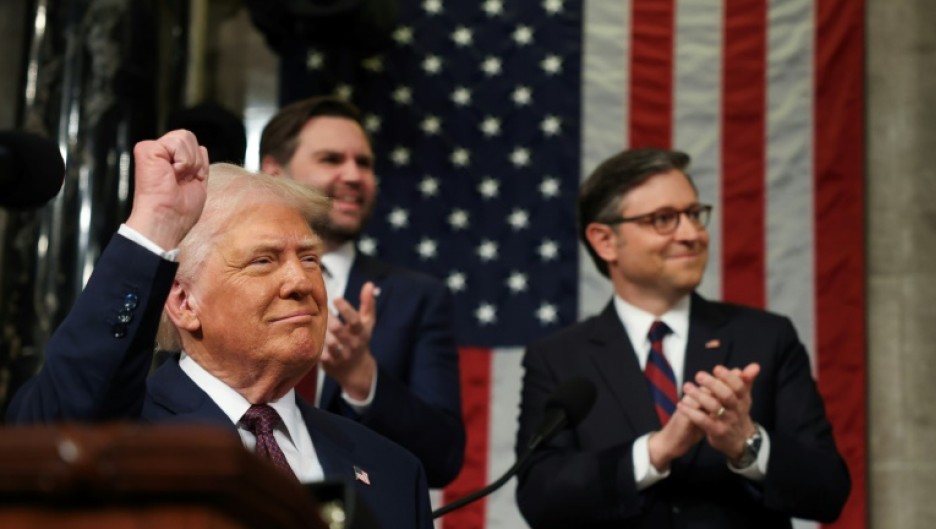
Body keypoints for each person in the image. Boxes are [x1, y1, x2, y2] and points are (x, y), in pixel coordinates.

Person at [7, 130, 433, 529]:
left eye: (309, 259)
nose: (301, 283)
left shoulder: (393, 470)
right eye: (263, 260)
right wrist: (157, 222)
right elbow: (48, 433)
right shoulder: (115, 433)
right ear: (184, 303)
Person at [515, 148, 850, 528]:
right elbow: (540, 498)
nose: (692, 234)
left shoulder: (767, 338)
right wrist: (655, 451)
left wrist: (747, 444)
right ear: (605, 240)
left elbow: (829, 491)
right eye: (664, 220)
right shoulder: (558, 358)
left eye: (694, 214)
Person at [258, 96, 465, 488]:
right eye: (331, 160)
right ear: (273, 171)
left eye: (364, 163)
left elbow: (444, 458)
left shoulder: (417, 298)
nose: (354, 176)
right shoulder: (223, 281)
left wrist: (362, 378)